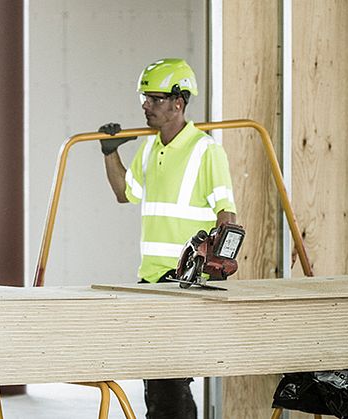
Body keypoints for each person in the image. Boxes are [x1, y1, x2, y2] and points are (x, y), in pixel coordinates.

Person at [99, 58, 237, 419]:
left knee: (169, 383)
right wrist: (110, 151)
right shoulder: (149, 148)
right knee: (159, 381)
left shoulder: (206, 150)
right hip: (150, 279)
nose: (146, 105)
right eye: (144, 98)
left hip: (185, 284)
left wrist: (213, 263)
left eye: (155, 99)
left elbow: (228, 215)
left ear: (179, 103)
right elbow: (123, 193)